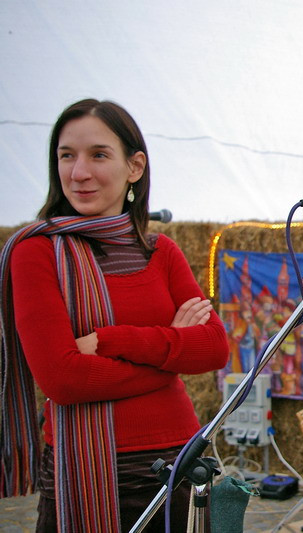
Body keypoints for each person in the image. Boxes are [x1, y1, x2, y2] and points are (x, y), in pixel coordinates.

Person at [0, 99, 229, 532]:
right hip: (81, 470)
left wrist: (111, 341)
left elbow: (215, 349)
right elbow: (62, 380)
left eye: (98, 155)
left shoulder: (161, 250)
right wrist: (169, 353)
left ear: (135, 166)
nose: (79, 172)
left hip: (177, 466)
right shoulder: (36, 251)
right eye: (67, 155)